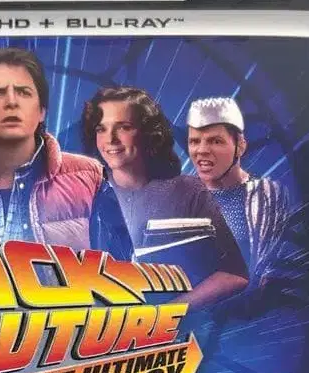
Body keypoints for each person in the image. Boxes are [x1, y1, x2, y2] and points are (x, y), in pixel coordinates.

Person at [0, 48, 132, 261]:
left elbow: (122, 269)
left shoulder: (89, 178)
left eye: (24, 92)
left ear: (41, 111)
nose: (12, 102)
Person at [82, 86, 248, 310]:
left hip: (177, 327)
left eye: (124, 127)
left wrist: (169, 313)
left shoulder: (187, 191)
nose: (110, 139)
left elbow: (234, 274)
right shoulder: (86, 195)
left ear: (148, 133)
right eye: (101, 129)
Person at [186, 97, 292, 295]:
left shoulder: (264, 195)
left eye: (215, 141)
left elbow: (268, 274)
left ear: (240, 146)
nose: (202, 150)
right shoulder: (183, 196)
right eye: (194, 141)